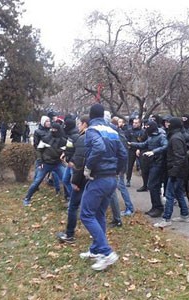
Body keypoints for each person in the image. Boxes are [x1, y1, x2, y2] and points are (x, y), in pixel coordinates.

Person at [79, 103, 127, 271]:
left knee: (86, 215)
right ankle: (96, 250)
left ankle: (107, 253)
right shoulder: (113, 131)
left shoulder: (92, 130)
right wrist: (117, 169)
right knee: (99, 214)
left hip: (98, 178)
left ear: (91, 116)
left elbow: (98, 147)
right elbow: (123, 154)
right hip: (111, 179)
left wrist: (88, 167)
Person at [56, 115, 89, 244]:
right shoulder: (98, 137)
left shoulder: (82, 139)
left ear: (85, 124)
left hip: (82, 178)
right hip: (95, 178)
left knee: (73, 206)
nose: (79, 125)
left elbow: (79, 163)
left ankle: (69, 235)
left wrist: (75, 181)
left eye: (80, 123)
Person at [154, 117, 189, 228]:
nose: (167, 125)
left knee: (169, 194)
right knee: (178, 192)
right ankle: (184, 214)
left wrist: (174, 172)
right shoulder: (176, 136)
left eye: (169, 124)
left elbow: (179, 157)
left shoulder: (175, 138)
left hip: (177, 171)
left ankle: (166, 218)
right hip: (178, 170)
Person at [128, 120, 168, 218]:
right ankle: (155, 206)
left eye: (148, 127)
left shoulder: (161, 136)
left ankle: (158, 208)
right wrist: (131, 144)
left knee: (153, 185)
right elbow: (144, 145)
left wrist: (154, 152)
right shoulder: (151, 137)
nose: (146, 128)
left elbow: (166, 146)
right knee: (152, 186)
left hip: (158, 164)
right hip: (152, 163)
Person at [23, 122, 66, 206]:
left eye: (55, 129)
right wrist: (40, 162)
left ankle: (69, 198)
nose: (53, 131)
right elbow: (39, 150)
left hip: (57, 164)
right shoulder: (46, 139)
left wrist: (64, 154)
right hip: (45, 164)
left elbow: (66, 151)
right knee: (37, 181)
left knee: (66, 180)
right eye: (52, 129)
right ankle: (27, 198)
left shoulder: (63, 141)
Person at [125, 118, 146, 188]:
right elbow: (126, 139)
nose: (134, 124)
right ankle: (128, 180)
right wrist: (128, 145)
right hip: (131, 150)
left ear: (139, 123)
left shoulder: (143, 132)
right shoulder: (129, 131)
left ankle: (145, 183)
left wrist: (139, 148)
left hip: (140, 150)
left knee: (143, 166)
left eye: (136, 123)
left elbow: (143, 141)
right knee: (129, 166)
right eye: (134, 123)